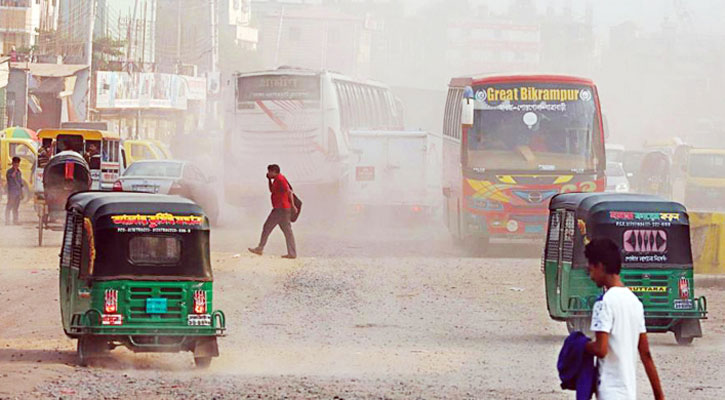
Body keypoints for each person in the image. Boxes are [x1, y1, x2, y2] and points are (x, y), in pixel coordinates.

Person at [584, 238, 665, 400]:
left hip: (609, 392)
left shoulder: (604, 303)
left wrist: (579, 345)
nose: (591, 276)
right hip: (628, 393)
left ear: (600, 266)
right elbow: (646, 354)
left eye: (591, 269)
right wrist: (660, 396)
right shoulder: (635, 302)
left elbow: (601, 349)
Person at [248, 164, 297, 259]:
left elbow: (289, 192)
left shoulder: (281, 179)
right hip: (281, 208)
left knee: (267, 227)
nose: (268, 173)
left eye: (270, 171)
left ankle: (260, 248)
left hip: (280, 209)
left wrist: (293, 205)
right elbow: (271, 190)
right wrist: (269, 180)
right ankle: (292, 253)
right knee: (287, 231)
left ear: (274, 171)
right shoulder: (276, 180)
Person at [5, 157, 23, 225]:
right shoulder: (9, 171)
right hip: (12, 192)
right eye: (15, 163)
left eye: (17, 164)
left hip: (18, 192)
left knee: (16, 208)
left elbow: (20, 183)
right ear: (12, 163)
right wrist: (14, 171)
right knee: (9, 206)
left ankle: (15, 221)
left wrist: (21, 192)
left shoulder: (19, 172)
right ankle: (7, 221)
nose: (16, 165)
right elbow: (11, 177)